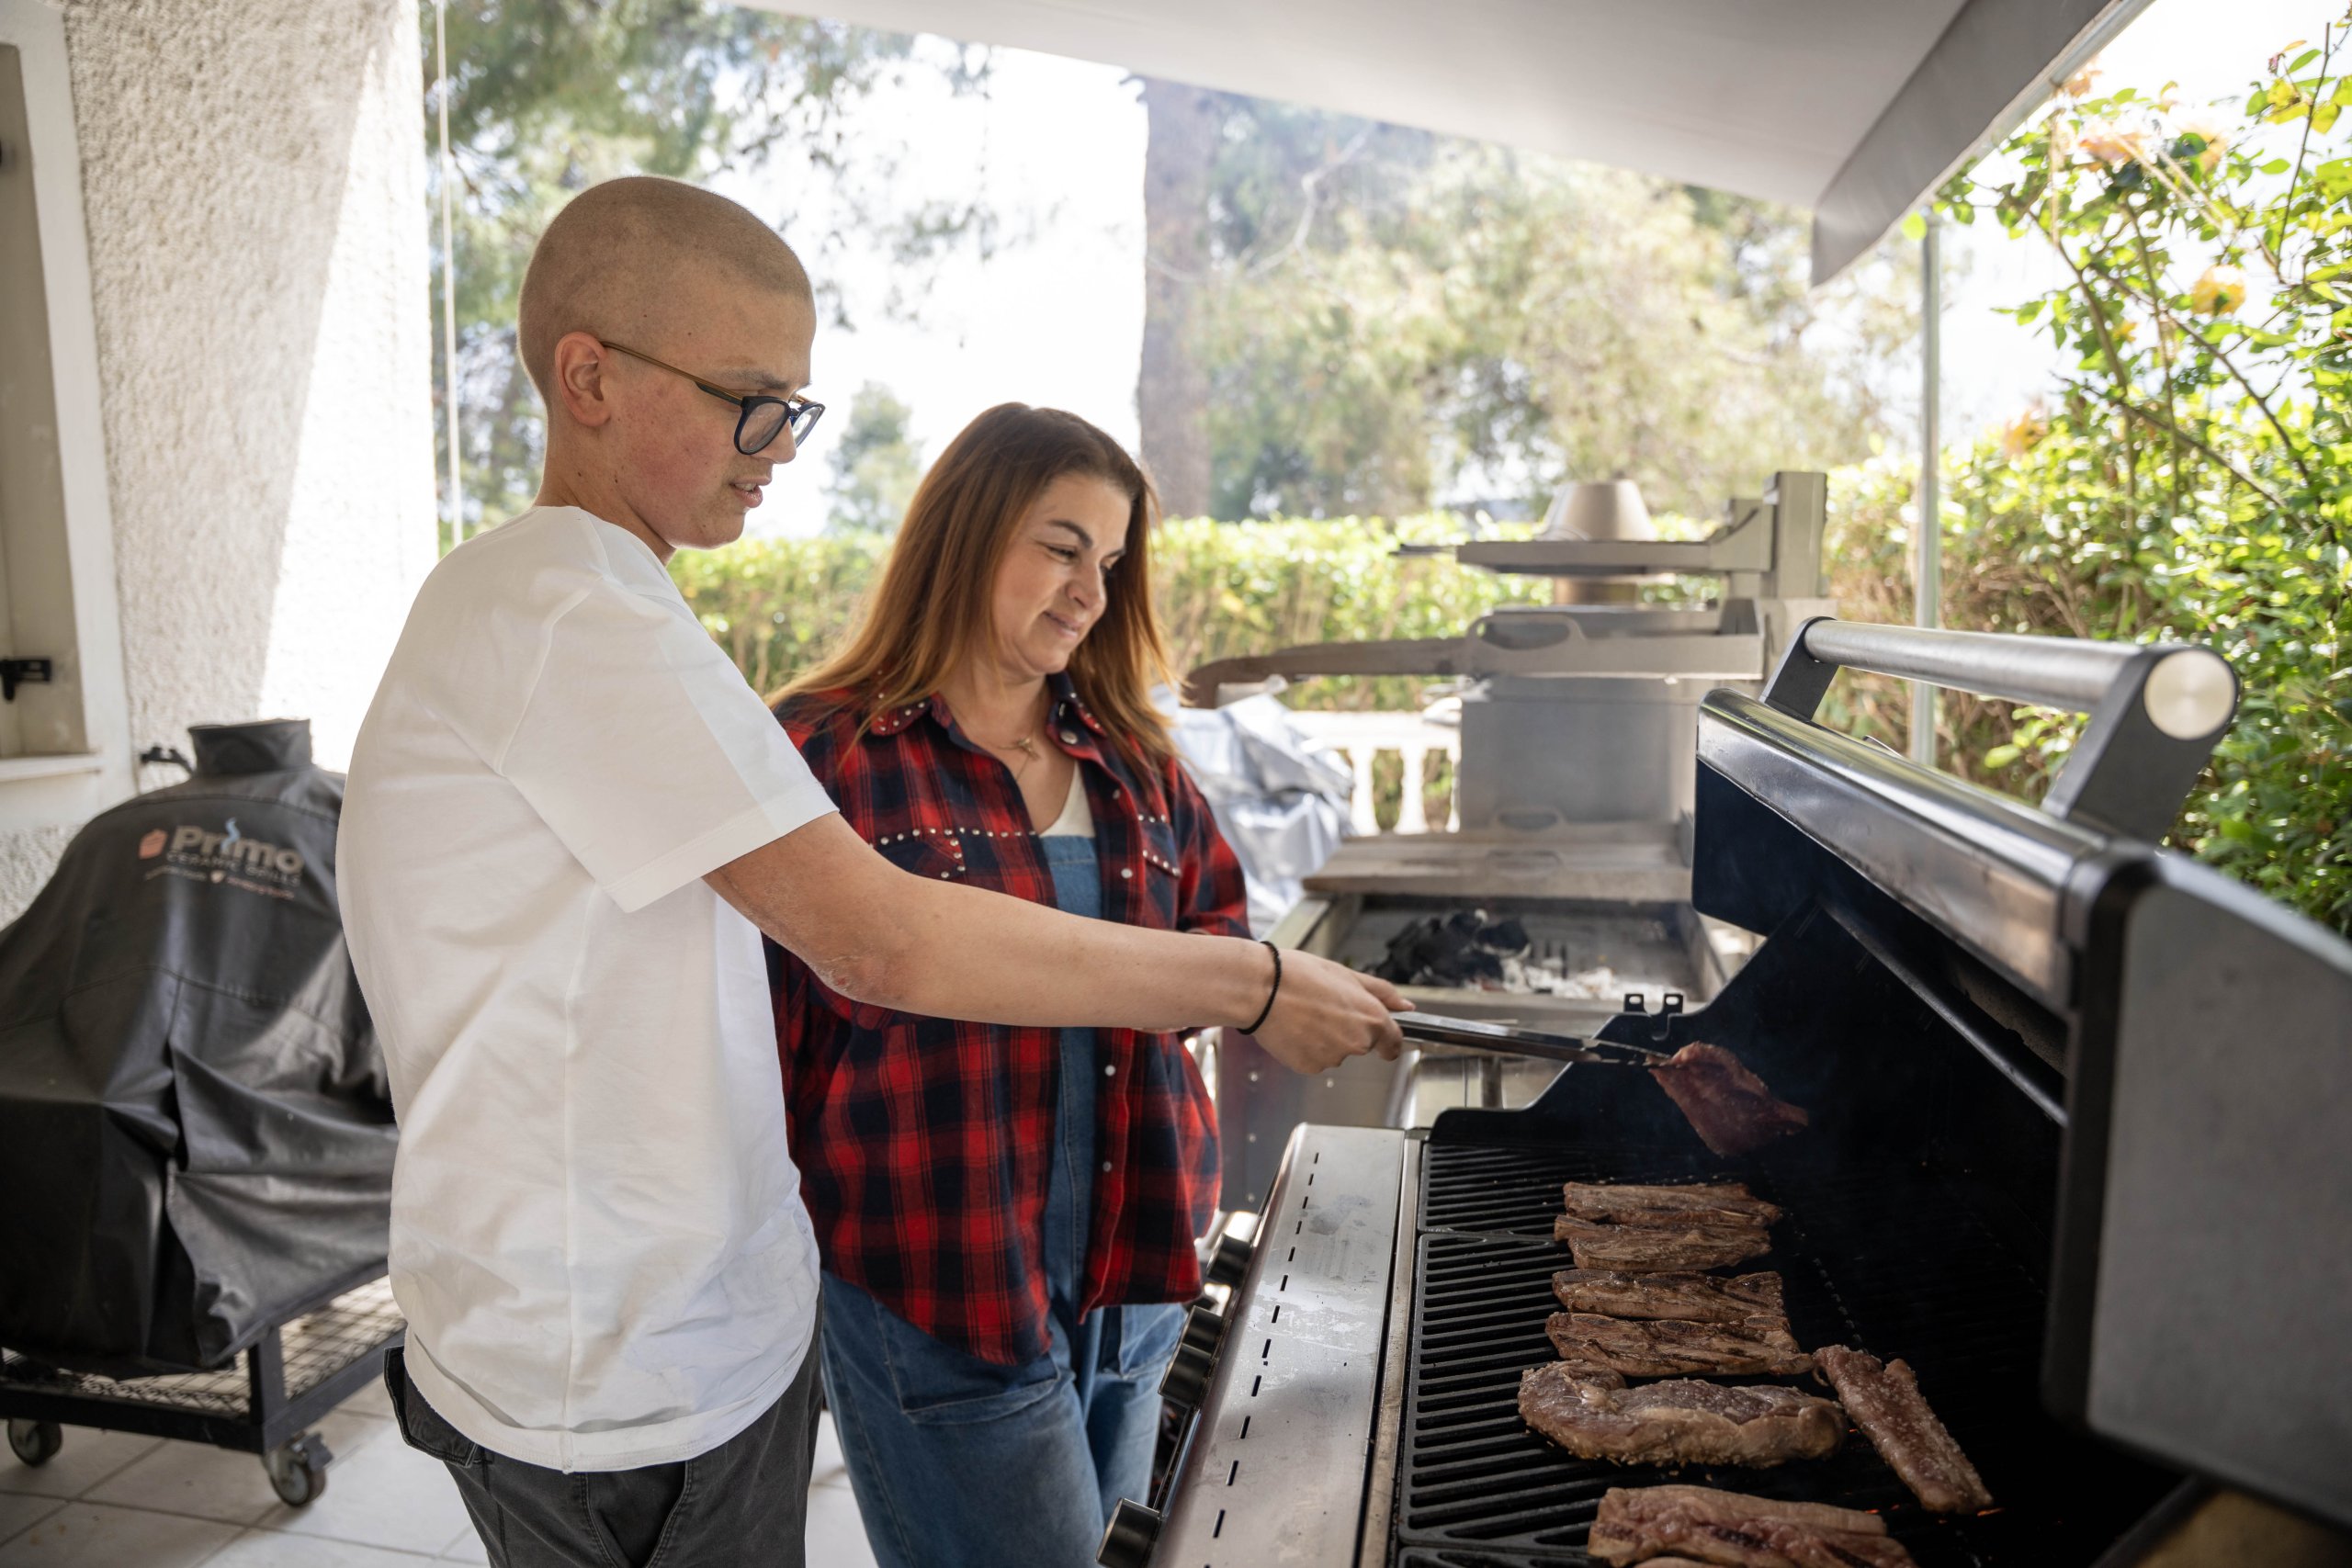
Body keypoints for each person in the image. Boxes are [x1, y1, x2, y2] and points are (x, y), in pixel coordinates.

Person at [336, 176, 1406, 1568]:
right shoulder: (562, 609)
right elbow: (877, 942)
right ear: (587, 377)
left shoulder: (599, 607)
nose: (779, 444)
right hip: (616, 1362)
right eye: (748, 399)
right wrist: (1252, 984)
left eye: (794, 406)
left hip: (682, 1329)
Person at [770, 404, 1293, 1568]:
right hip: (941, 1285)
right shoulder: (822, 752)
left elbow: (1214, 934)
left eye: (1108, 562)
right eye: (1061, 548)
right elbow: (758, 1037)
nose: (1089, 592)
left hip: (1137, 1280)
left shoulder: (1134, 758)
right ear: (964, 534)